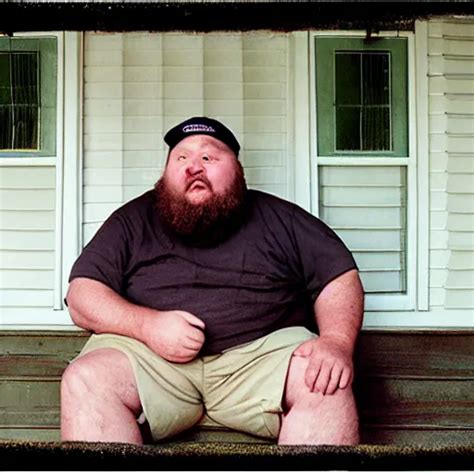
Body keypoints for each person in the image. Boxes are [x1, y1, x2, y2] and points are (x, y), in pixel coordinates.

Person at [61, 116, 364, 445]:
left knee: (325, 381)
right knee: (85, 380)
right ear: (165, 175)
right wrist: (147, 326)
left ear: (238, 171)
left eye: (208, 157)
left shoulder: (282, 219)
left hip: (260, 361)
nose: (194, 167)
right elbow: (82, 294)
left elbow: (339, 277)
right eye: (181, 158)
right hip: (152, 360)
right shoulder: (131, 220)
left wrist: (336, 342)